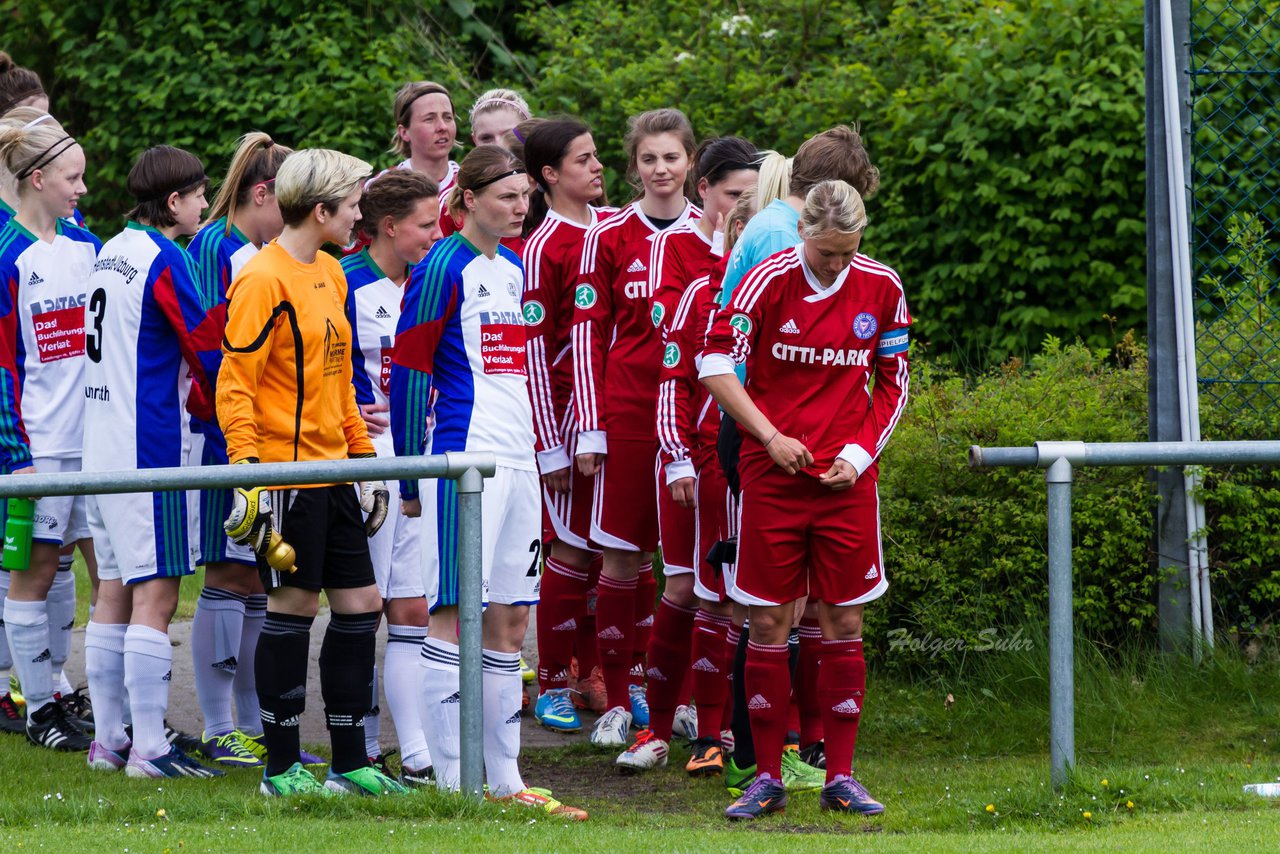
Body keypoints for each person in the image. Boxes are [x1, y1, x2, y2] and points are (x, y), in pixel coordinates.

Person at [700, 179, 909, 820]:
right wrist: (768, 434)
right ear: (804, 237)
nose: (838, 264)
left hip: (847, 481)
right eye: (826, 253)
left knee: (844, 620)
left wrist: (859, 452)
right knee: (767, 620)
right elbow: (713, 365)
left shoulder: (883, 286)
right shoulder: (767, 279)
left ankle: (840, 776)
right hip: (773, 474)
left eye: (848, 251)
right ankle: (765, 777)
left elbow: (894, 383)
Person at [390, 144, 586, 820]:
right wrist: (414, 473)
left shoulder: (513, 267)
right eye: (507, 197)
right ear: (467, 199)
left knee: (509, 617)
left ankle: (506, 782)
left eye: (525, 197)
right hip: (463, 462)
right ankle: (452, 788)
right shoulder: (440, 265)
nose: (520, 207)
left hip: (519, 460)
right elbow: (410, 371)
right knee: (452, 614)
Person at [216, 148, 401, 797]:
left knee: (361, 609)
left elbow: (341, 379)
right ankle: (281, 768)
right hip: (286, 481)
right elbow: (234, 385)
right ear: (321, 209)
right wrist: (249, 475)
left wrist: (364, 463)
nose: (360, 214)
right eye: (353, 204)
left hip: (336, 475)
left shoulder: (331, 270)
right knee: (291, 611)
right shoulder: (262, 278)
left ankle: (350, 765)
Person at [615, 135, 761, 772]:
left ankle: (729, 732)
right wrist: (676, 453)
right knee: (687, 585)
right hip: (691, 455)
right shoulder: (683, 266)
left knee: (742, 596)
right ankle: (658, 728)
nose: (742, 212)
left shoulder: (768, 278)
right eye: (734, 197)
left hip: (754, 461)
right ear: (707, 192)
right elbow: (671, 373)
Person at [82, 145, 223, 778]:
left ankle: (109, 741)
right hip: (149, 448)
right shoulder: (167, 257)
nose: (203, 204)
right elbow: (207, 347)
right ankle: (150, 748)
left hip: (99, 445)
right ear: (173, 202)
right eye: (198, 194)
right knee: (157, 594)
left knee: (112, 590)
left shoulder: (110, 246)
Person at [570, 107, 700, 746]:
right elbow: (586, 336)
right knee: (622, 557)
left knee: (691, 567)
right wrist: (589, 428)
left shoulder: (714, 237)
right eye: (648, 159)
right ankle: (619, 701)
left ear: (690, 164)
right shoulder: (608, 233)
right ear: (633, 167)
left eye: (671, 157)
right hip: (625, 414)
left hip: (695, 422)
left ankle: (682, 698)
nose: (660, 170)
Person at [186, 131, 295, 768]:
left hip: (253, 433)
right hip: (222, 435)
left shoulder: (244, 247)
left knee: (257, 575)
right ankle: (218, 723)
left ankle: (250, 722)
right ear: (263, 194)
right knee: (230, 573)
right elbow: (211, 353)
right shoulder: (222, 251)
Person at [0, 112, 98, 752]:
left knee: (114, 576)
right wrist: (17, 454)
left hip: (96, 449)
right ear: (37, 179)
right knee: (33, 573)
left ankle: (92, 707)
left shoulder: (87, 247)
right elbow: (2, 363)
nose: (83, 189)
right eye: (73, 177)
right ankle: (38, 709)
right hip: (39, 450)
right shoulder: (9, 254)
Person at [341, 168, 442, 785]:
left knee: (413, 608)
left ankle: (419, 754)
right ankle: (357, 746)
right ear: (389, 227)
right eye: (426, 225)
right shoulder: (343, 280)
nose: (437, 235)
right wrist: (350, 407)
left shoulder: (431, 279)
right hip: (368, 462)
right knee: (364, 605)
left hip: (421, 459)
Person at [519, 118, 613, 733]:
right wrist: (554, 444)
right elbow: (531, 353)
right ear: (550, 175)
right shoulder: (542, 244)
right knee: (572, 551)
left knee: (616, 553)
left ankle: (596, 669)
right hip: (569, 427)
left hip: (620, 416)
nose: (597, 167)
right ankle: (550, 680)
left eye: (597, 156)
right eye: (583, 160)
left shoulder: (614, 230)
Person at [390, 81, 460, 199]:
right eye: (429, 119)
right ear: (404, 132)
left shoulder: (472, 185)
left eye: (448, 117)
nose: (442, 127)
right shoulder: (384, 189)